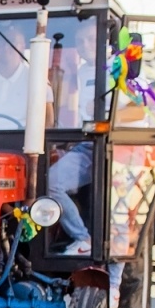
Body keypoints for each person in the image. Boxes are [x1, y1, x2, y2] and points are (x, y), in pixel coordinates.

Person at [48, 21, 100, 255]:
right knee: (51, 182)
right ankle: (81, 238)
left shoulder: (119, 69)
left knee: (116, 217)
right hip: (85, 143)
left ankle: (85, 240)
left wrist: (107, 112)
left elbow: (140, 109)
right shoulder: (82, 72)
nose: (85, 45)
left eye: (91, 39)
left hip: (108, 147)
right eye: (80, 41)